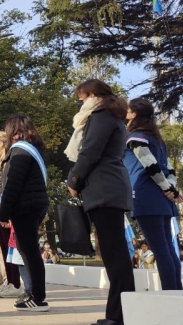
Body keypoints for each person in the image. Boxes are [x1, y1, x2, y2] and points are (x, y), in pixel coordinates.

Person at [65, 79, 135, 325]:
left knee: (114, 254)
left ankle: (119, 315)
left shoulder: (102, 115)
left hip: (105, 189)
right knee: (113, 253)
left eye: (81, 98)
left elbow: (91, 150)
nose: (80, 103)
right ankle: (119, 312)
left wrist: (73, 179)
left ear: (92, 95)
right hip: (108, 187)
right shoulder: (110, 115)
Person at [124, 98, 183, 290]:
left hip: (146, 197)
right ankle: (176, 290)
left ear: (134, 114)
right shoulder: (157, 140)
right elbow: (170, 169)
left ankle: (171, 293)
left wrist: (168, 190)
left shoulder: (136, 137)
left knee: (160, 250)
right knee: (167, 249)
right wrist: (171, 190)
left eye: (128, 109)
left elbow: (150, 165)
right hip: (161, 200)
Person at [0, 115, 50, 312]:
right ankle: (34, 293)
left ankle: (37, 297)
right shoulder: (32, 149)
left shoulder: (20, 151)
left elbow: (13, 184)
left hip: (25, 207)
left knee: (29, 252)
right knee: (27, 250)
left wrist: (4, 213)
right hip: (32, 204)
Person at [0, 130, 21, 296]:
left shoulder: (6, 162)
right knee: (3, 249)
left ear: (0, 144)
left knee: (10, 249)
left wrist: (6, 213)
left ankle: (14, 283)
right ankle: (10, 282)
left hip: (4, 211)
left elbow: (4, 188)